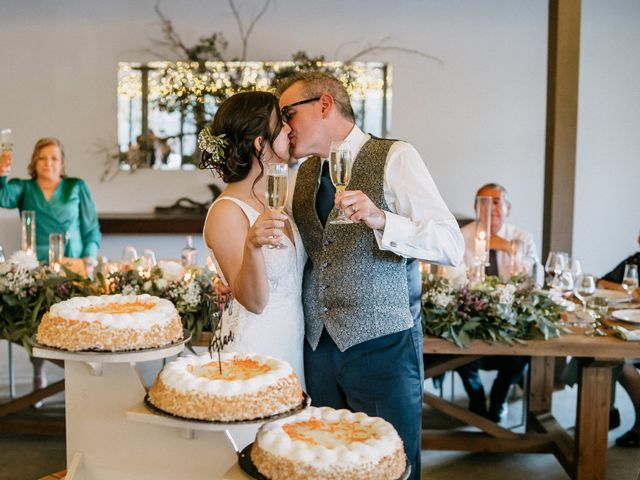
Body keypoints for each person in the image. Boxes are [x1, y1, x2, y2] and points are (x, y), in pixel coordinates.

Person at [277, 72, 464, 479]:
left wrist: (383, 220)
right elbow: (300, 255)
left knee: (389, 465)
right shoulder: (302, 175)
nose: (283, 125)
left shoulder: (396, 156)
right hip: (318, 347)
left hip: (383, 346)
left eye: (288, 113)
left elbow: (451, 244)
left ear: (324, 105)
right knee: (326, 462)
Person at [201, 91, 305, 384]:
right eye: (282, 123)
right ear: (261, 143)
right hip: (254, 354)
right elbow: (254, 302)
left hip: (292, 347)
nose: (289, 128)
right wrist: (252, 246)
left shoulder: (277, 200)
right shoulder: (227, 212)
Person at [0, 137, 102, 393]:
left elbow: (91, 229)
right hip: (35, 267)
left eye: (54, 157)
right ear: (34, 162)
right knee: (37, 321)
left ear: (62, 162)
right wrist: (2, 172)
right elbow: (3, 197)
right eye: (42, 157)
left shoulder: (76, 187)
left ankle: (80, 378)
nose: (48, 163)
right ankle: (40, 371)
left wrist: (89, 259)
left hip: (72, 266)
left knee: (74, 321)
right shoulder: (23, 188)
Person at [456, 183, 532, 421]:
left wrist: (508, 248)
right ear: (475, 207)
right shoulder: (461, 236)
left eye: (496, 202)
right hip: (470, 318)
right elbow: (452, 279)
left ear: (507, 208)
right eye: (483, 202)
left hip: (510, 322)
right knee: (455, 349)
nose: (490, 208)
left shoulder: (523, 238)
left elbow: (531, 281)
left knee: (523, 355)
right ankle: (476, 398)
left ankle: (499, 399)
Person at [599, 232, 640, 447]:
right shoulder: (635, 261)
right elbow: (602, 282)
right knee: (605, 353)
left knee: (621, 363)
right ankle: (605, 412)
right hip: (632, 327)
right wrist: (630, 290)